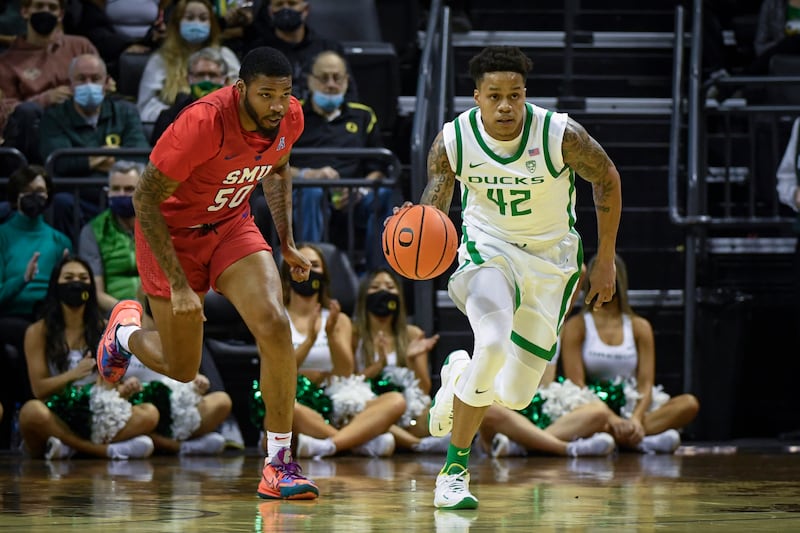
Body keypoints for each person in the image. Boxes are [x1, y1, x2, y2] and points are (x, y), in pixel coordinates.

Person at [95, 46, 319, 500]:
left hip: (232, 224)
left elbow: (277, 170)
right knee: (182, 368)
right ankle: (124, 335)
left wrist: (287, 242)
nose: (278, 105)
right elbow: (144, 199)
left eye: (285, 94)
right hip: (171, 234)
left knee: (275, 325)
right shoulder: (202, 123)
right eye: (266, 94)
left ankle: (278, 463)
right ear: (241, 90)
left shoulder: (289, 117)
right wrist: (180, 284)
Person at [416, 46, 623, 510]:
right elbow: (436, 206)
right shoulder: (453, 141)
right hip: (486, 251)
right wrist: (417, 232)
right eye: (495, 96)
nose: (506, 105)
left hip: (551, 262)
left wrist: (606, 257)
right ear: (477, 98)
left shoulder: (559, 134)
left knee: (512, 395)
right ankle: (453, 472)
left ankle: (456, 374)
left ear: (525, 94)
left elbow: (606, 178)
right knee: (490, 342)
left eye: (514, 95)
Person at [252, 243, 404, 459]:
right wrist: (310, 341)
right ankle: (356, 442)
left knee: (395, 401)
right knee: (288, 408)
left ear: (324, 275)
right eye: (300, 263)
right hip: (294, 401)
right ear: (287, 271)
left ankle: (328, 445)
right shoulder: (274, 318)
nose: (308, 269)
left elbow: (344, 372)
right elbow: (275, 369)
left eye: (315, 265)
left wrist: (331, 335)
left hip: (333, 403)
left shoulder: (338, 319)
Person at [18, 254, 159, 459]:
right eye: (68, 278)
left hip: (97, 412)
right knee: (31, 412)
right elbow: (39, 390)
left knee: (150, 412)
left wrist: (124, 389)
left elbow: (112, 381)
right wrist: (73, 375)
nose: (76, 284)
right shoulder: (37, 332)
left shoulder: (104, 328)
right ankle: (102, 451)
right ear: (56, 285)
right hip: (58, 412)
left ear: (91, 287)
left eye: (83, 279)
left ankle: (68, 447)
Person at [560, 254, 700, 454]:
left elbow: (645, 384)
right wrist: (611, 417)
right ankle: (641, 441)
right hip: (594, 408)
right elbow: (577, 385)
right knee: (588, 416)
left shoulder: (639, 326)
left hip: (632, 408)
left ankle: (624, 437)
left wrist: (635, 418)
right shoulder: (577, 325)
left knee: (688, 404)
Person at [287, 50, 394, 272]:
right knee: (312, 192)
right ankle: (311, 270)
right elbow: (273, 166)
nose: (331, 84)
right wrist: (309, 175)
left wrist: (359, 191)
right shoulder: (292, 116)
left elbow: (378, 168)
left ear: (346, 81)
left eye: (337, 78)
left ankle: (377, 278)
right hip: (307, 194)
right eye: (324, 78)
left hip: (353, 197)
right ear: (310, 80)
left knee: (382, 195)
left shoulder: (363, 116)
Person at [38, 53, 150, 243]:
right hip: (80, 200)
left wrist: (85, 162)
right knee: (61, 203)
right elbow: (59, 162)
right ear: (70, 85)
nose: (88, 84)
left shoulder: (125, 113)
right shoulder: (54, 117)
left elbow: (139, 157)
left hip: (123, 195)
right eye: (81, 79)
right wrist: (106, 156)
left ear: (106, 83)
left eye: (95, 79)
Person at [0, 164, 73, 430]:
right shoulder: (3, 236)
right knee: (27, 335)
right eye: (28, 191)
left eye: (41, 191)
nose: (35, 197)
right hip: (9, 315)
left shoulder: (59, 240)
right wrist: (23, 280)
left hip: (47, 314)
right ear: (15, 196)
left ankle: (47, 422)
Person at [351, 267, 451, 453]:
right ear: (365, 296)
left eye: (390, 287)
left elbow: (424, 389)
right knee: (358, 413)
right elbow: (347, 385)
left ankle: (379, 439)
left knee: (434, 414)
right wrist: (378, 366)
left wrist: (412, 360)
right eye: (375, 287)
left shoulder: (412, 334)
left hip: (406, 411)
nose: (383, 292)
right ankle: (418, 445)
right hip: (370, 406)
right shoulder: (354, 333)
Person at [0, 0, 99, 164]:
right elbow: (7, 111)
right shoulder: (7, 61)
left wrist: (80, 91)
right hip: (34, 132)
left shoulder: (81, 46)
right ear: (24, 11)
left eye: (52, 7)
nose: (45, 11)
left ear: (60, 14)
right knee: (27, 112)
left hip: (77, 121)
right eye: (39, 6)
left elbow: (105, 83)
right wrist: (45, 99)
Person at [136, 0, 240, 124]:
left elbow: (241, 99)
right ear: (177, 23)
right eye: (189, 18)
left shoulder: (225, 56)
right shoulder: (161, 60)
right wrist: (183, 115)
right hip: (175, 126)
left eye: (203, 18)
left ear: (211, 24)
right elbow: (146, 109)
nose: (196, 23)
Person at [122, 354, 233, 456]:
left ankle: (166, 445)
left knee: (222, 401)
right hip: (140, 409)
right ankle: (180, 446)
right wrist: (124, 389)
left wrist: (198, 383)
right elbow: (108, 390)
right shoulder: (117, 339)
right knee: (148, 415)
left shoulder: (176, 336)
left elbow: (191, 374)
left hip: (178, 409)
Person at [247, 0, 357, 102]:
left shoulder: (330, 49)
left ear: (305, 10)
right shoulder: (257, 52)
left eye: (292, 3)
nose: (285, 9)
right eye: (279, 4)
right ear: (270, 12)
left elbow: (349, 95)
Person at [78, 160, 143, 315]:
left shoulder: (159, 226)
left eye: (129, 189)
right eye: (116, 189)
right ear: (108, 192)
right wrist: (128, 310)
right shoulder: (94, 231)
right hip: (114, 310)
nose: (121, 194)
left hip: (156, 307)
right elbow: (97, 293)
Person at [149, 46, 230, 145]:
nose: (206, 81)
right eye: (200, 75)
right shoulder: (170, 117)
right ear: (188, 79)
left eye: (213, 75)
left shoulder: (238, 116)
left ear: (225, 81)